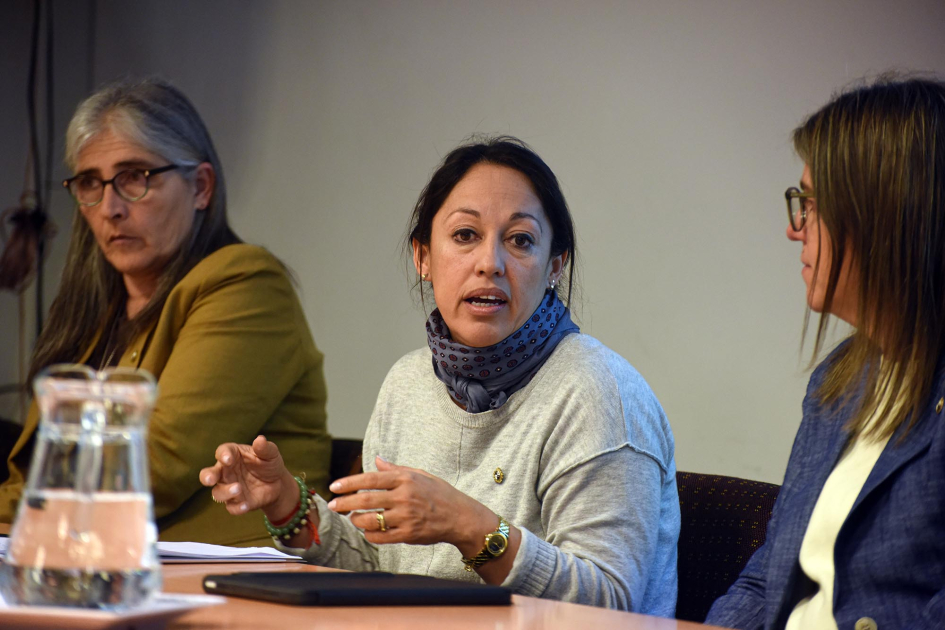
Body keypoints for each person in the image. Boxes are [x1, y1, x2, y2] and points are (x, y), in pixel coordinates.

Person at [200, 136, 680, 613]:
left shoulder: (598, 390)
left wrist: (469, 527)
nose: (490, 263)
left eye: (520, 241)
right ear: (423, 257)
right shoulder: (407, 382)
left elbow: (612, 602)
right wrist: (287, 502)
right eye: (465, 235)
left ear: (555, 265)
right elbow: (378, 563)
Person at [0, 78, 332, 547]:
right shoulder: (89, 314)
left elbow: (151, 468)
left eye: (135, 178)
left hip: (235, 580)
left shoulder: (247, 282)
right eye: (91, 183)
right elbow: (34, 465)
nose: (110, 208)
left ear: (200, 186)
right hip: (94, 563)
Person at [706, 77, 945, 629]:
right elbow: (769, 577)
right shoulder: (840, 380)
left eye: (811, 204)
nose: (797, 230)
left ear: (884, 215)